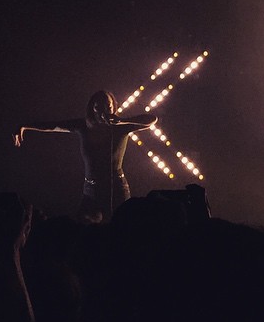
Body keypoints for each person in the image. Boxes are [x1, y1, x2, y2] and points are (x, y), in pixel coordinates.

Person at [13, 90, 157, 223]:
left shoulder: (121, 127)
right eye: (99, 106)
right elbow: (53, 126)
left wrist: (122, 121)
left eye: (108, 106)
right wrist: (25, 126)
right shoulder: (83, 126)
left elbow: (152, 119)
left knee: (120, 227)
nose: (104, 111)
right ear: (92, 108)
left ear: (114, 107)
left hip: (117, 189)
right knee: (83, 226)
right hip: (91, 190)